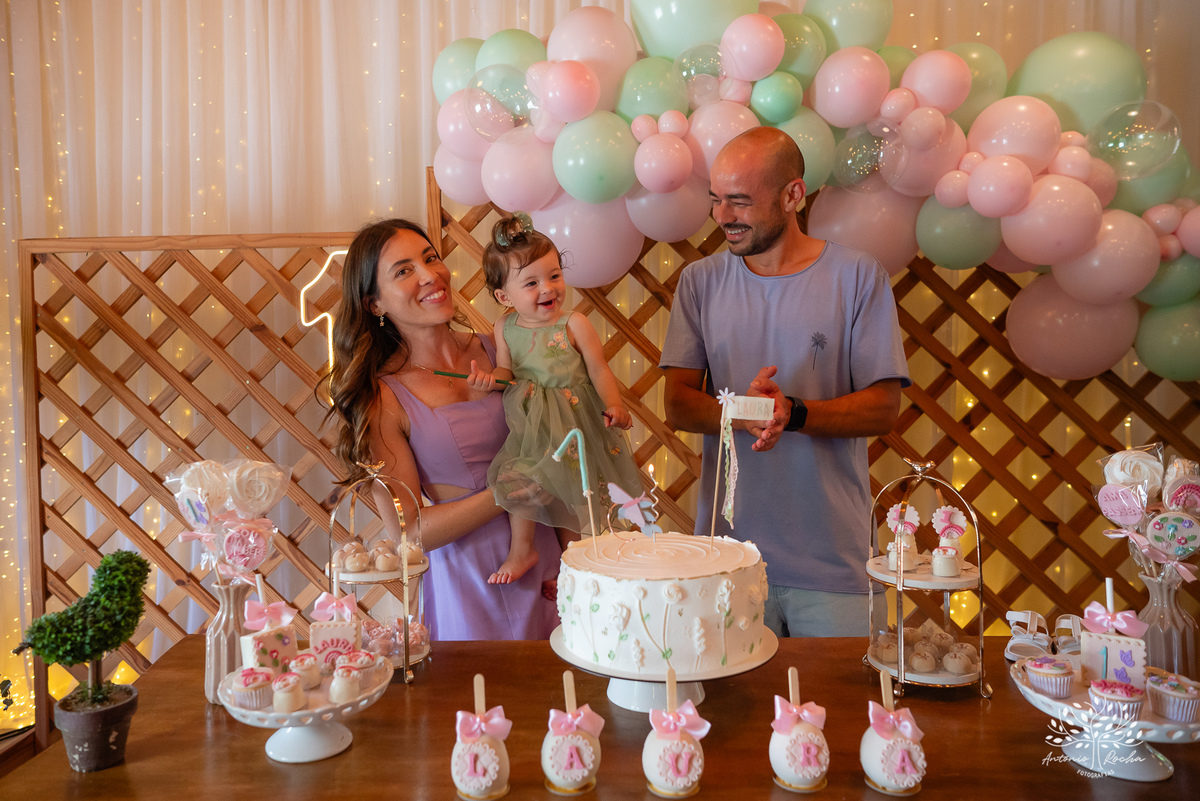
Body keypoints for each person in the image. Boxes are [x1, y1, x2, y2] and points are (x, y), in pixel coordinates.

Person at [660, 127, 911, 638]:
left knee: (845, 694)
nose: (722, 216)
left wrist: (792, 413)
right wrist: (744, 414)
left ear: (793, 195)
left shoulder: (858, 276)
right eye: (715, 200)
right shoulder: (700, 282)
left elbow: (884, 408)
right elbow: (678, 404)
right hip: (726, 561)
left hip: (835, 564)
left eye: (739, 201)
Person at [324, 218, 560, 640]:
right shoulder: (383, 398)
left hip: (551, 569)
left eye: (430, 258)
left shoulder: (504, 348)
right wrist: (506, 493)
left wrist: (575, 555)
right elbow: (409, 531)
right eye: (404, 270)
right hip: (471, 585)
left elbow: (561, 437)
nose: (430, 275)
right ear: (375, 304)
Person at [468, 213, 643, 584]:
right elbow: (506, 371)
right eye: (531, 283)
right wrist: (490, 380)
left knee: (572, 490)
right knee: (521, 479)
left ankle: (574, 560)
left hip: (574, 420)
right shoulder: (504, 327)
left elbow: (599, 370)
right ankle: (525, 550)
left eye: (554, 276)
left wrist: (615, 405)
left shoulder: (574, 323)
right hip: (532, 423)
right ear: (504, 296)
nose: (547, 289)